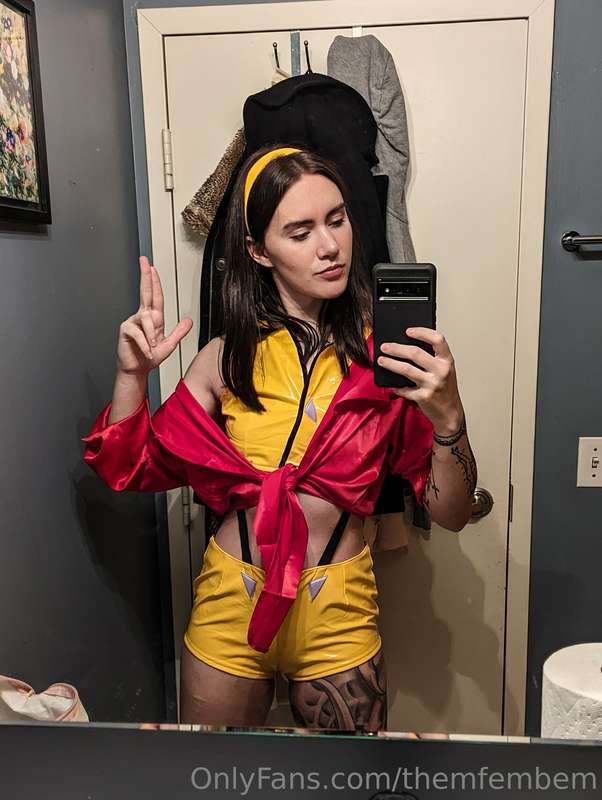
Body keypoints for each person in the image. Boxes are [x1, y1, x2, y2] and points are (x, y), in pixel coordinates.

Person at [82, 146, 477, 732]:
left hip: (337, 607)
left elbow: (453, 513)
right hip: (232, 599)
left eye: (337, 220)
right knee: (216, 776)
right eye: (301, 231)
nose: (330, 246)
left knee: (346, 781)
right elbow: (132, 465)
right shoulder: (225, 359)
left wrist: (449, 417)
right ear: (258, 250)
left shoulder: (390, 360)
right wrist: (131, 375)